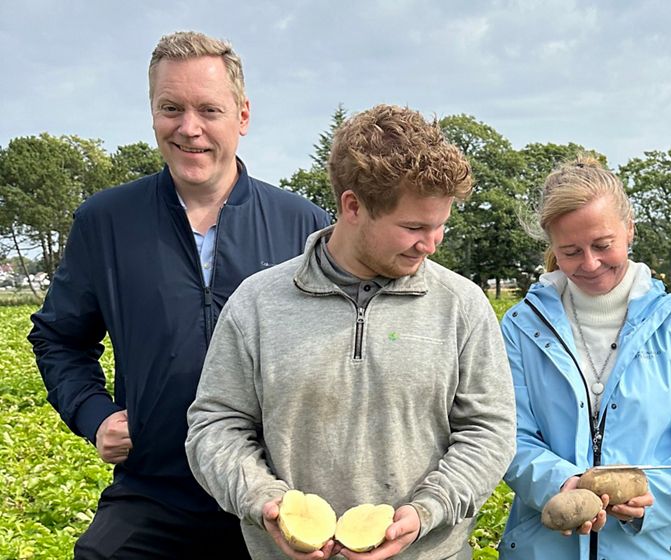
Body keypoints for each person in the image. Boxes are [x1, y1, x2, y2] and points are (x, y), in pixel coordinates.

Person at [27, 31, 330, 559]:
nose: (189, 128)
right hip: (155, 490)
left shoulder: (303, 227)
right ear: (152, 113)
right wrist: (94, 413)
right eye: (171, 108)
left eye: (209, 109)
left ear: (242, 115)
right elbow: (59, 337)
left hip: (276, 495)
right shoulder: (107, 222)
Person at [185, 104, 516, 560]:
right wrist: (262, 500)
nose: (431, 243)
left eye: (440, 225)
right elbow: (215, 424)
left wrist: (429, 510)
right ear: (353, 206)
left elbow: (488, 430)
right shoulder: (258, 303)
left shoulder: (462, 306)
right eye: (413, 227)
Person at [496, 155, 671, 559]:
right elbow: (507, 436)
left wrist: (647, 496)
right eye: (570, 251)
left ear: (629, 230)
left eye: (603, 245)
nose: (590, 264)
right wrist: (564, 485)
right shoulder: (520, 329)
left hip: (655, 548)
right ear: (552, 247)